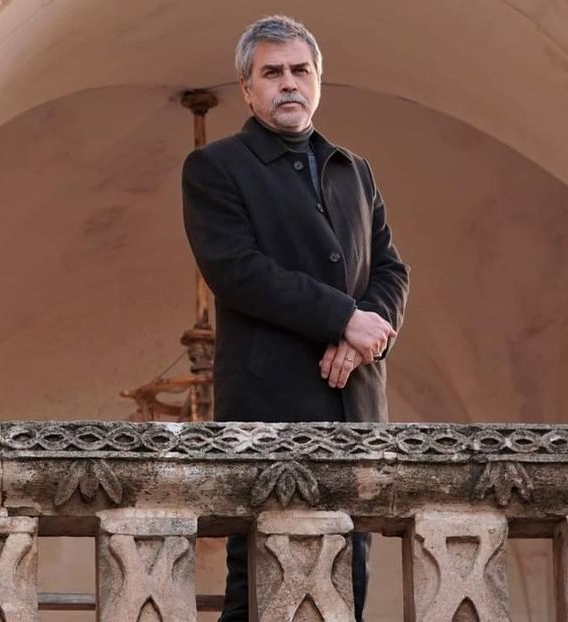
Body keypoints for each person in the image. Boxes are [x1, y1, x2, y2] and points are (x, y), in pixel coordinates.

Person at [182, 15, 409, 621]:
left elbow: (391, 269)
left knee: (347, 586)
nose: (289, 82)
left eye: (300, 70)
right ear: (247, 87)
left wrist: (361, 337)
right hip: (268, 408)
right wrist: (342, 317)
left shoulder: (355, 170)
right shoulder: (216, 167)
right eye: (272, 72)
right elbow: (237, 270)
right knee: (262, 586)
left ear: (318, 80)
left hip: (356, 411)